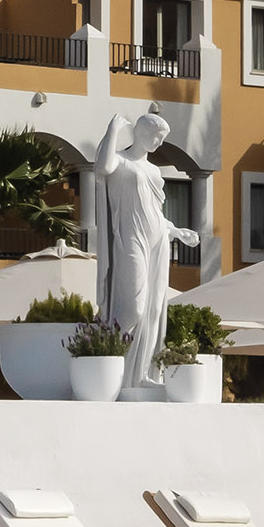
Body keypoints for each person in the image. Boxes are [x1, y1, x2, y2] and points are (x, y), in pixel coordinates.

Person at [87, 110, 198, 396]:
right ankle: (109, 364)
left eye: (162, 139)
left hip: (158, 239)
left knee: (154, 309)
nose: (159, 143)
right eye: (156, 136)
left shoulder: (154, 170)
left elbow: (155, 211)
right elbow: (101, 168)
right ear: (141, 132)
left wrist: (175, 231)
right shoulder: (121, 161)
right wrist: (112, 131)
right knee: (134, 307)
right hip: (130, 237)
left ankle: (143, 373)